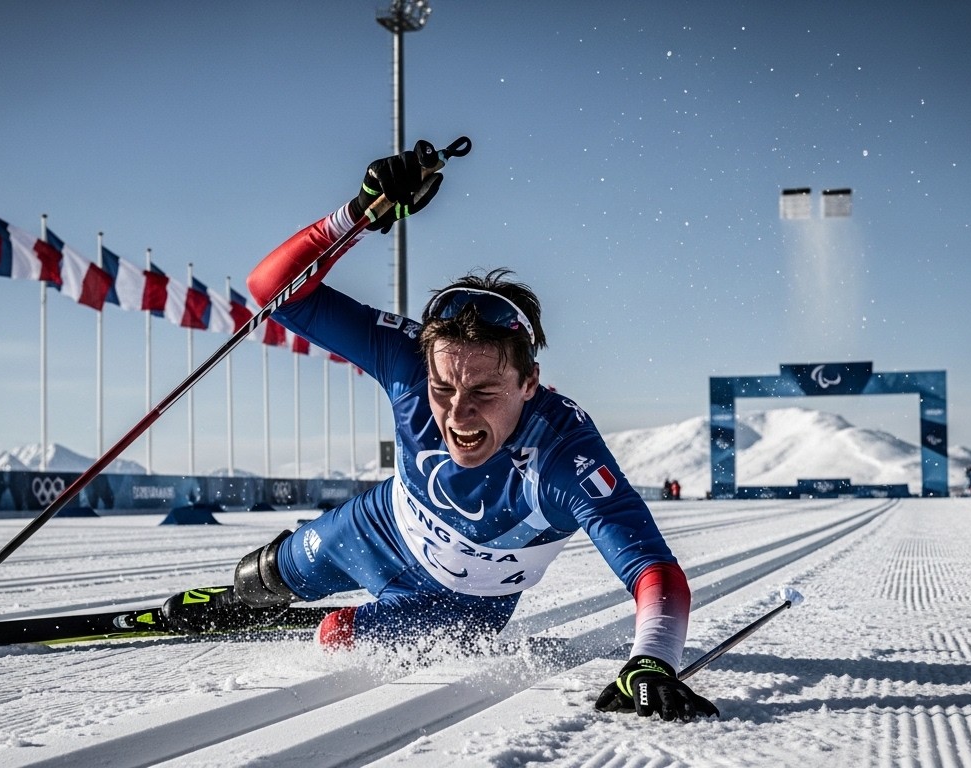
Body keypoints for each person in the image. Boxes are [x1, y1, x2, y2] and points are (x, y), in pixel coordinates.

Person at [161, 143, 718, 722]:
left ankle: (337, 617)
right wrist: (357, 213)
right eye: (444, 388)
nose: (457, 414)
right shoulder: (407, 359)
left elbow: (653, 570)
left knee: (337, 636)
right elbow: (271, 289)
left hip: (463, 603)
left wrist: (653, 659)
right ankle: (244, 600)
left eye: (484, 393)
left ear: (530, 382)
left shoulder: (562, 453)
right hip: (376, 528)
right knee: (261, 575)